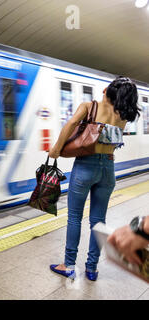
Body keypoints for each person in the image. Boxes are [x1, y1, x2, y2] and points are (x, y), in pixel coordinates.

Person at [47, 76, 141, 281]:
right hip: (108, 169)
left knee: (74, 218)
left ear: (107, 90)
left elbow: (71, 125)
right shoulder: (123, 115)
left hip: (85, 167)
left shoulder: (89, 106)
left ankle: (69, 265)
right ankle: (92, 268)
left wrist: (56, 149)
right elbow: (114, 142)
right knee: (98, 221)